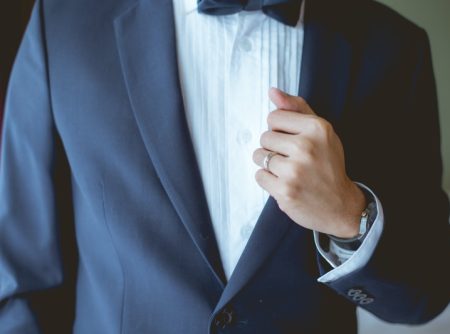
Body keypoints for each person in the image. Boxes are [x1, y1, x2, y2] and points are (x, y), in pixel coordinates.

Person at [0, 0, 449, 333]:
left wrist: (349, 217)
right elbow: (19, 275)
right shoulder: (62, 25)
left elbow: (423, 296)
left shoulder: (391, 47)